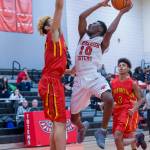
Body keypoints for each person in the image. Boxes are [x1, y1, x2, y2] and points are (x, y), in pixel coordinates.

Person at [67, 0, 132, 149]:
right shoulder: (83, 36)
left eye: (95, 23)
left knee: (109, 98)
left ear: (99, 30)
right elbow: (81, 17)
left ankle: (102, 131)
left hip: (94, 76)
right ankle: (82, 126)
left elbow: (110, 31)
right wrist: (98, 5)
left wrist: (121, 12)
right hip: (79, 78)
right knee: (73, 118)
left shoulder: (102, 41)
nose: (91, 23)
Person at [38, 0, 67, 150]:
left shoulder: (59, 40)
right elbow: (59, 7)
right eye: (52, 20)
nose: (56, 21)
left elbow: (55, 65)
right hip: (51, 82)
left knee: (57, 123)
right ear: (48, 27)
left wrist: (70, 71)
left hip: (54, 80)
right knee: (60, 122)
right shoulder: (53, 34)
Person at [111, 58, 146, 150]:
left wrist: (134, 108)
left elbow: (142, 98)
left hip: (127, 111)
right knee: (118, 139)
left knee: (124, 135)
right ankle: (138, 138)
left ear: (128, 69)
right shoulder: (113, 82)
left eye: (123, 65)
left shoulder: (132, 83)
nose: (121, 67)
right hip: (117, 112)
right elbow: (113, 98)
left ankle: (136, 139)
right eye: (119, 65)